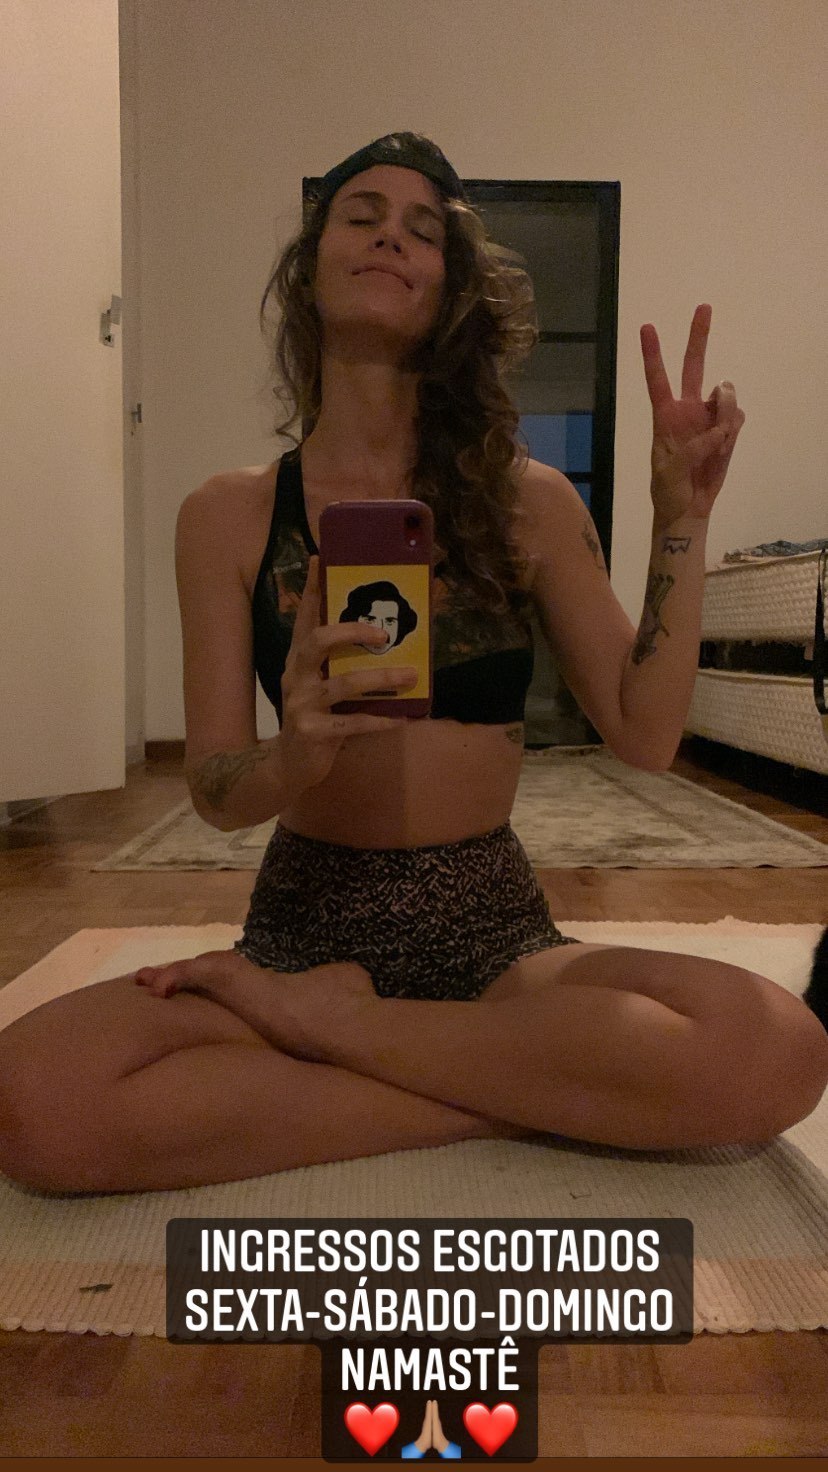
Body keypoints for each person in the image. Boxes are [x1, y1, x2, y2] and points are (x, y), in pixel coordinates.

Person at [1, 134, 826, 1198]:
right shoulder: (227, 515)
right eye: (362, 215)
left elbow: (645, 734)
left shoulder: (531, 503)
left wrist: (683, 518)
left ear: (451, 291)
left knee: (775, 1044)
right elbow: (213, 788)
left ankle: (345, 1039)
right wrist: (293, 758)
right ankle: (516, 1087)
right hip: (304, 934)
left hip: (494, 933)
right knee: (37, 1096)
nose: (391, 233)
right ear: (310, 272)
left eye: (424, 229)